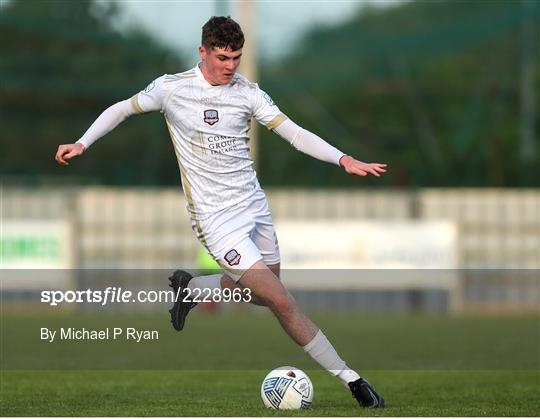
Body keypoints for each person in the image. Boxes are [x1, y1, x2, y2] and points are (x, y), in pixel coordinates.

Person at [55, 16, 387, 408]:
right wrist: (82, 142)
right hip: (216, 221)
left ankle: (193, 288)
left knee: (265, 296)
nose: (231, 65)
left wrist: (342, 158)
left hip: (254, 207)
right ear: (203, 52)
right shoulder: (172, 88)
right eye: (223, 57)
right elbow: (121, 109)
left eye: (237, 57)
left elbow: (294, 134)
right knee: (282, 302)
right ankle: (353, 381)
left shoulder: (249, 93)